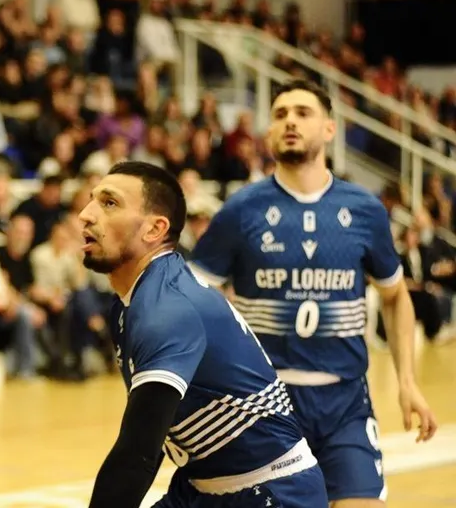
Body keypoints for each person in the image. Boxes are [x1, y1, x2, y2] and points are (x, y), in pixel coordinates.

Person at [188, 79, 437, 506]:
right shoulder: (241, 209)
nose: (290, 121)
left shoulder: (365, 209)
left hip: (345, 403)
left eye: (303, 113)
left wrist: (407, 382)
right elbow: (192, 303)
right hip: (264, 408)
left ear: (329, 129)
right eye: (281, 114)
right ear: (268, 133)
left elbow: (396, 298)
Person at [78, 161, 327, 508]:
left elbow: (137, 453)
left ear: (155, 229)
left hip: (273, 490)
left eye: (109, 203)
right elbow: (154, 436)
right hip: (200, 486)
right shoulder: (132, 302)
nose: (85, 215)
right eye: (91, 200)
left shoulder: (166, 309)